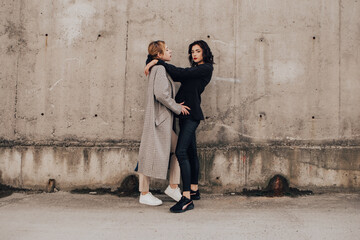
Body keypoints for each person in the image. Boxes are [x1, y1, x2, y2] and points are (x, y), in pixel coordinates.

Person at [145, 40, 214, 213]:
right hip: (184, 115)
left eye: (198, 51)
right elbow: (174, 74)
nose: (194, 54)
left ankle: (186, 198)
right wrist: (152, 60)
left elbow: (179, 72)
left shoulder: (205, 68)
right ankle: (194, 190)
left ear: (204, 52)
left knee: (181, 152)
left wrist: (158, 61)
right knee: (190, 152)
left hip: (191, 116)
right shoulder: (193, 71)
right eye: (192, 52)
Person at [137, 41, 190, 206]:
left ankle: (172, 186)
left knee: (178, 150)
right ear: (159, 55)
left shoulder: (158, 67)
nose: (170, 51)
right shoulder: (160, 69)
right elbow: (161, 94)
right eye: (167, 49)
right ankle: (145, 193)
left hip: (161, 121)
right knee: (149, 153)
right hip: (159, 121)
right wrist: (177, 108)